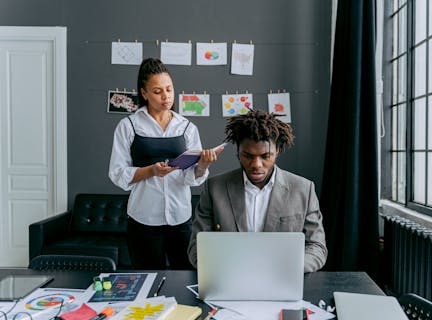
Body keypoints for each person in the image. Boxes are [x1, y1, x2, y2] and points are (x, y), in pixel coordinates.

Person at [109, 58, 222, 270]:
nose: (166, 96)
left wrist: (203, 165)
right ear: (144, 93)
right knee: (148, 282)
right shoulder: (129, 126)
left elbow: (191, 178)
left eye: (169, 89)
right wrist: (151, 171)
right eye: (158, 91)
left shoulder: (187, 127)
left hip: (180, 218)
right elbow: (117, 173)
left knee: (187, 279)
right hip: (143, 219)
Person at [187, 109, 327, 272]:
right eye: (248, 156)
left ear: (277, 151)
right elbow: (196, 247)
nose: (256, 165)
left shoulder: (303, 189)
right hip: (229, 277)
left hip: (283, 278)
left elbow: (316, 246)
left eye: (265, 156)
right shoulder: (215, 188)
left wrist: (290, 268)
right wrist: (222, 268)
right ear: (238, 151)